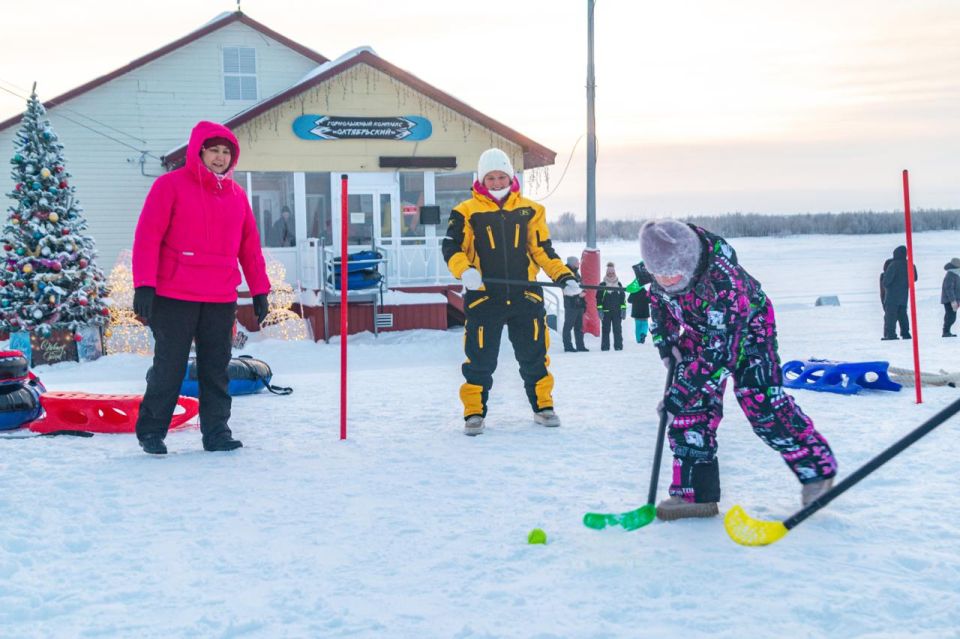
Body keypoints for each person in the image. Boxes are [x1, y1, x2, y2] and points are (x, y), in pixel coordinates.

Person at [639, 219, 837, 520]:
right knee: (690, 410)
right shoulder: (661, 269)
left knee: (761, 402)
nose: (667, 281)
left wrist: (675, 397)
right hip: (699, 332)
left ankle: (817, 469)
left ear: (690, 264)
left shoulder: (724, 282)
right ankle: (695, 495)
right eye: (659, 275)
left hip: (748, 331)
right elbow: (657, 303)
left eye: (674, 275)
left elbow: (720, 356)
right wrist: (666, 344)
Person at [132, 121, 270, 455]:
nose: (220, 158)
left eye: (226, 152)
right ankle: (152, 432)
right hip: (174, 295)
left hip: (220, 296)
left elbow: (249, 247)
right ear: (199, 151)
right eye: (214, 150)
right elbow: (147, 236)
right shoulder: (170, 186)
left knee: (216, 368)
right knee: (170, 366)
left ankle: (217, 433)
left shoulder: (237, 197)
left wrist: (260, 290)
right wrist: (144, 285)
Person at [442, 148, 580, 436]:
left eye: (501, 176)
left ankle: (543, 407)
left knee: (534, 355)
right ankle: (474, 413)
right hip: (484, 298)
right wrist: (464, 271)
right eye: (490, 177)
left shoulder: (531, 210)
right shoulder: (466, 211)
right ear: (481, 179)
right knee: (480, 359)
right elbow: (452, 247)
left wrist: (564, 276)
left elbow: (542, 251)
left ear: (510, 176)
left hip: (524, 298)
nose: (496, 182)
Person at [881, 245, 917, 340]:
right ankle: (905, 333)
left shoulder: (893, 265)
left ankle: (891, 334)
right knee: (903, 315)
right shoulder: (910, 264)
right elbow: (915, 278)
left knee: (890, 316)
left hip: (892, 296)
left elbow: (886, 281)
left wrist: (885, 282)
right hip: (904, 295)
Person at [597, 262, 625, 351]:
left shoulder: (619, 284)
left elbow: (622, 298)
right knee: (606, 330)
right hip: (606, 312)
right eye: (609, 273)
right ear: (606, 273)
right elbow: (598, 298)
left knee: (617, 330)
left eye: (612, 273)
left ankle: (618, 346)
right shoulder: (602, 285)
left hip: (617, 312)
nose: (611, 275)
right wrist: (600, 309)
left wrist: (623, 309)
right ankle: (605, 347)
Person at [562, 255, 588, 352]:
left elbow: (581, 285)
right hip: (571, 304)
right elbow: (567, 290)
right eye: (577, 262)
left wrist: (584, 293)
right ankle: (568, 346)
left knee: (579, 326)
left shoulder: (576, 273)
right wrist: (579, 294)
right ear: (572, 263)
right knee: (568, 326)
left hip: (579, 304)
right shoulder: (565, 273)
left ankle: (580, 346)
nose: (578, 264)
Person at [941, 257, 960, 337]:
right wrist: (953, 301)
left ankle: (946, 331)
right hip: (949, 300)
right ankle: (946, 332)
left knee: (951, 316)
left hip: (954, 300)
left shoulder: (956, 274)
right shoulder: (951, 275)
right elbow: (949, 289)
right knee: (951, 317)